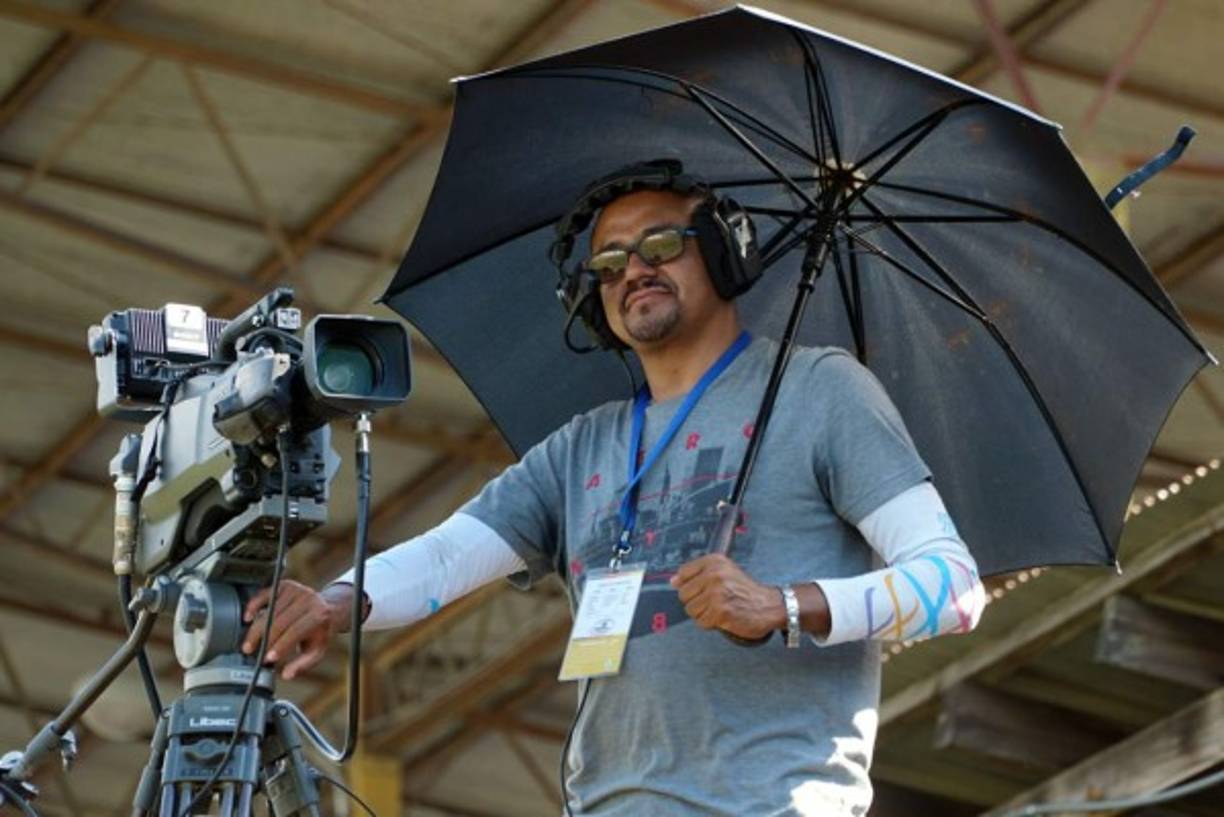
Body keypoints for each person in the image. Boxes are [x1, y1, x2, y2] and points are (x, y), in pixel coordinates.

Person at [242, 162, 986, 816]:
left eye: (662, 244)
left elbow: (952, 587)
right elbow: (447, 557)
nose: (635, 269)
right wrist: (335, 602)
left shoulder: (822, 391)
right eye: (609, 261)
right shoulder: (582, 446)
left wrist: (781, 606)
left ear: (726, 256)